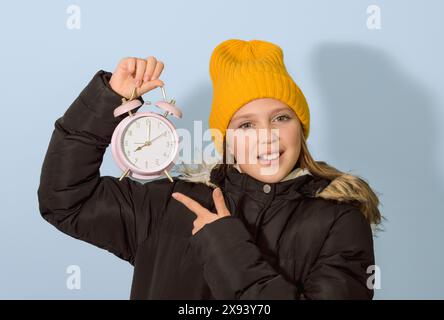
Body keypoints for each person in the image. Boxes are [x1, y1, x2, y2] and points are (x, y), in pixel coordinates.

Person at [37, 38, 382, 299]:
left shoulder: (338, 222)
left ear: (300, 127)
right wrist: (108, 99)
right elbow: (67, 200)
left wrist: (225, 245)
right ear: (225, 138)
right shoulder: (169, 204)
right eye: (246, 125)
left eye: (280, 117)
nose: (266, 137)